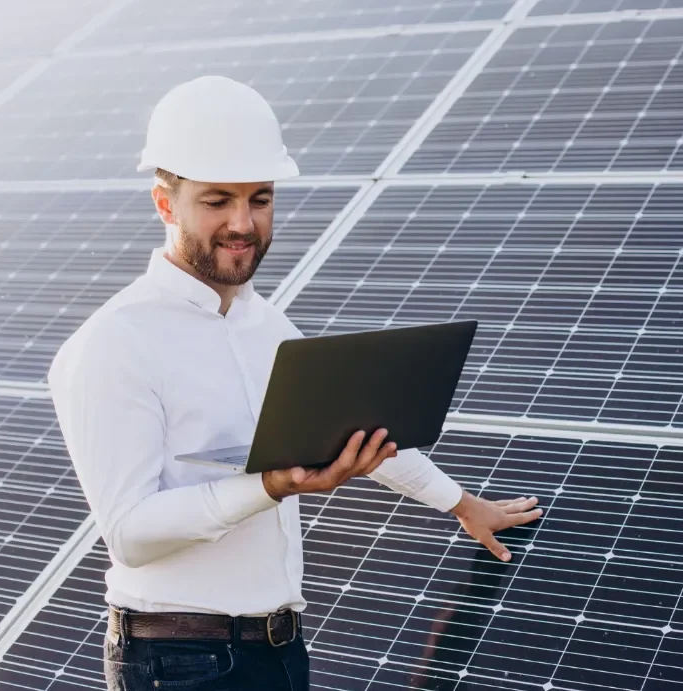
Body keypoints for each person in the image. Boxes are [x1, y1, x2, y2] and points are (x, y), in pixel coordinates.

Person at [47, 75, 542, 691]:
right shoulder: (114, 342)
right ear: (165, 203)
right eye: (217, 200)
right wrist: (271, 485)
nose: (243, 223)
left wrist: (463, 505)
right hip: (178, 661)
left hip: (278, 650)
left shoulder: (268, 326)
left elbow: (360, 431)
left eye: (259, 198)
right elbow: (130, 536)